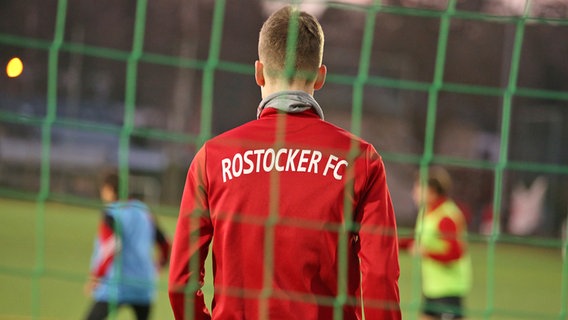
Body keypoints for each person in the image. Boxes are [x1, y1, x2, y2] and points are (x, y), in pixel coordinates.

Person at [169, 5, 401, 320]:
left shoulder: (211, 158)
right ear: (320, 77)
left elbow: (180, 282)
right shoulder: (361, 161)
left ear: (259, 72)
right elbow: (380, 279)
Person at [84, 172, 171, 320]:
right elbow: (166, 244)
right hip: (144, 285)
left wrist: (96, 275)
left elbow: (112, 245)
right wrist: (159, 265)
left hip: (117, 286)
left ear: (109, 190)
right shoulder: (144, 211)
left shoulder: (111, 213)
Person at [411, 166, 472, 320]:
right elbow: (417, 242)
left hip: (448, 290)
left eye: (419, 186)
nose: (415, 191)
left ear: (432, 191)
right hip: (431, 288)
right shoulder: (427, 212)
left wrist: (425, 252)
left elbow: (456, 253)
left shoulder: (446, 217)